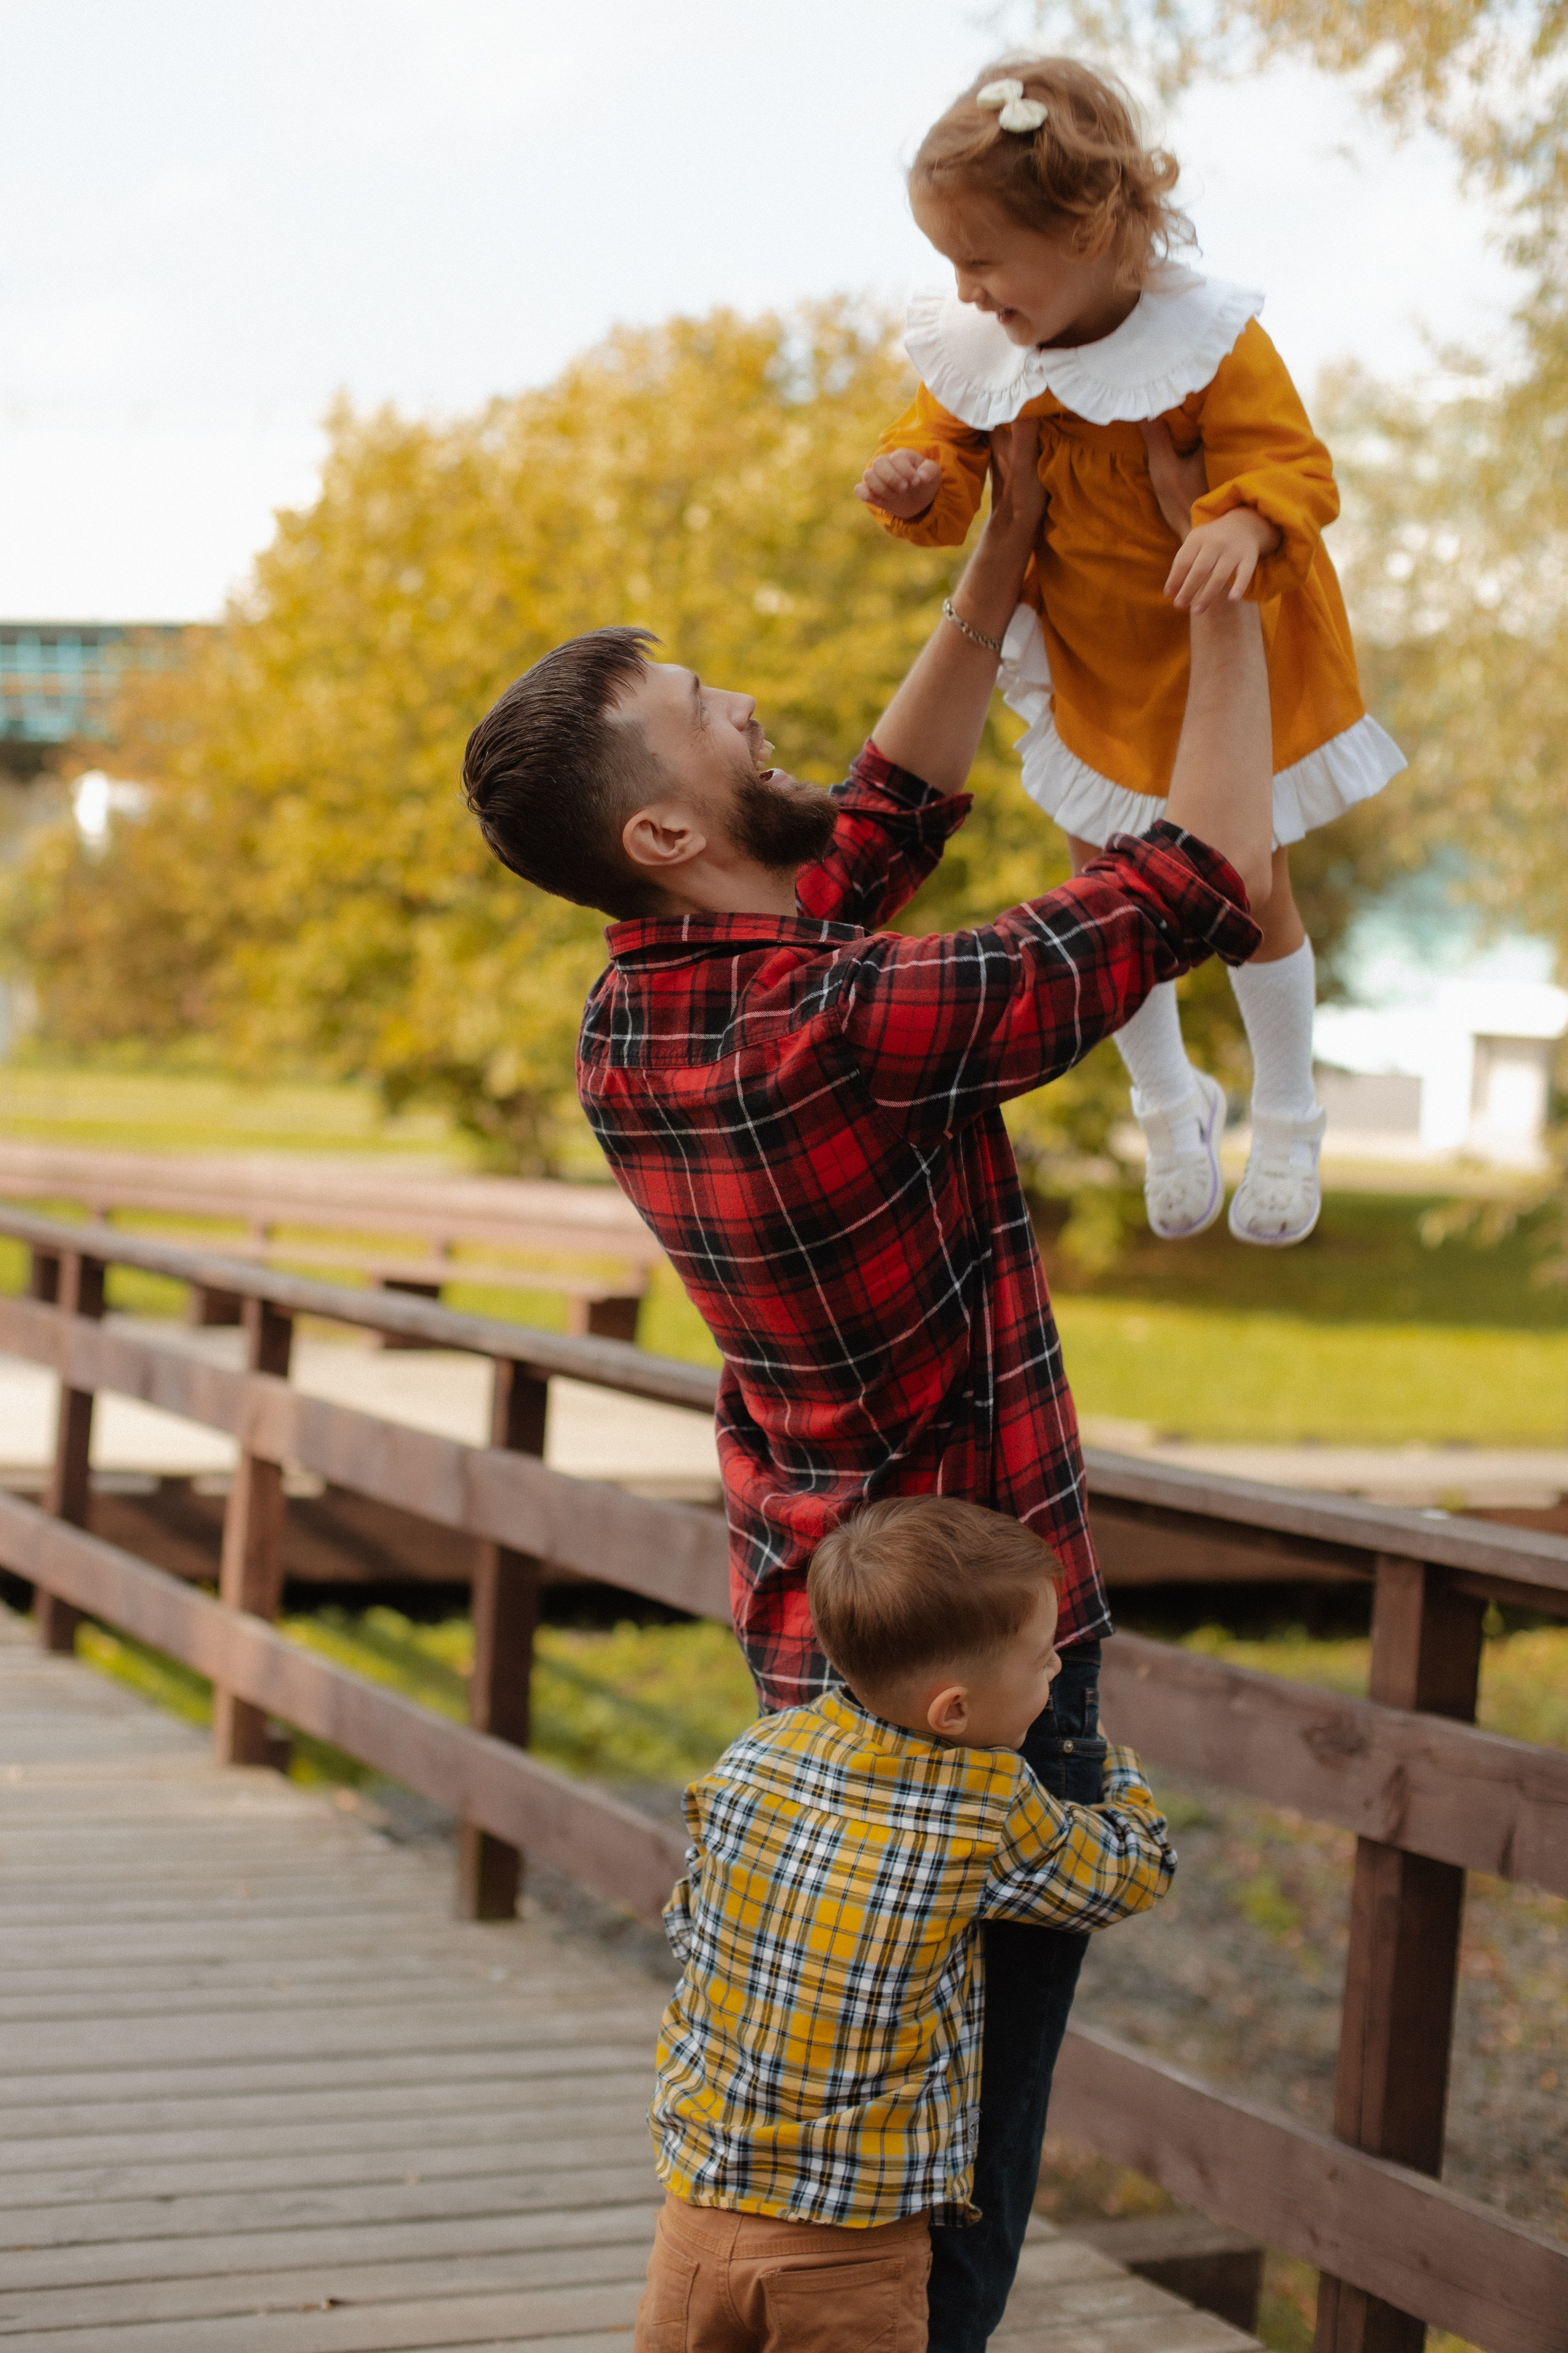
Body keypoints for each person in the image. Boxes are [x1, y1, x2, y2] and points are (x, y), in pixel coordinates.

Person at [462, 416, 1270, 2349]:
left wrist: (1003, 559)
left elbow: (870, 823)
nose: (750, 713)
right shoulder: (843, 1019)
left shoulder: (635, 1013)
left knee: (839, 2103)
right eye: (707, 717)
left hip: (816, 1647)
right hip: (979, 1666)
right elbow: (1206, 876)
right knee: (957, 2164)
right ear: (667, 834)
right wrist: (1238, 606)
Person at [857, 54, 1404, 1250]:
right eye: (950, 262)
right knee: (1098, 878)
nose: (966, 290)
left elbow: (1297, 468)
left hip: (1221, 659)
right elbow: (946, 456)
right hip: (1097, 661)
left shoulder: (1203, 339)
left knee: (1247, 885)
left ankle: (1290, 1105)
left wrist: (1245, 520)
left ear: (1093, 230)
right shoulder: (987, 345)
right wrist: (916, 485)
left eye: (984, 260)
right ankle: (1164, 1098)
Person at [634, 1496, 1175, 2353]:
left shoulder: (756, 1754)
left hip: (700, 2211)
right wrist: (1113, 1767)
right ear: (954, 1711)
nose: (1057, 1676)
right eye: (1044, 1662)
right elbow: (1126, 1874)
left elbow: (690, 1920)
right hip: (849, 2253)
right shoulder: (988, 1804)